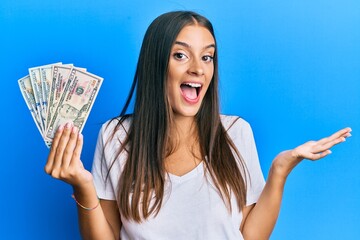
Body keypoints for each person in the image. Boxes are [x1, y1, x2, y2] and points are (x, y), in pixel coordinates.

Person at [45, 11, 352, 240]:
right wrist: (83, 188)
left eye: (207, 57)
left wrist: (280, 170)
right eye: (181, 55)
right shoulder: (116, 136)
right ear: (156, 64)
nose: (198, 68)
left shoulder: (235, 133)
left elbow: (250, 236)